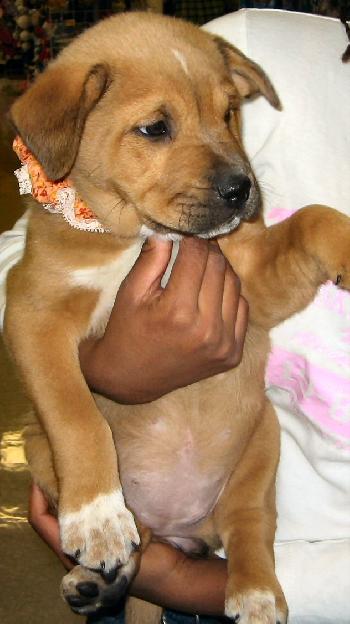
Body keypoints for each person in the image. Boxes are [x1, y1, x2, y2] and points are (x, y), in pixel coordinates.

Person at [1, 8, 350, 624]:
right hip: (112, 502)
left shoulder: (211, 202)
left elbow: (261, 295)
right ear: (66, 130)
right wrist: (109, 373)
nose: (230, 169)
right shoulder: (245, 42)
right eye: (155, 129)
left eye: (228, 113)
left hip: (246, 538)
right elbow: (26, 294)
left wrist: (184, 581)